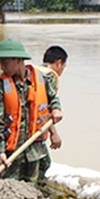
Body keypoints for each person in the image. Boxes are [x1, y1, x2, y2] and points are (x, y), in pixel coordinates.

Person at [0, 39, 63, 186]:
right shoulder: (0, 87)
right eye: (0, 62)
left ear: (19, 60)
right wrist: (0, 151)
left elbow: (52, 98)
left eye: (5, 62)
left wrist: (56, 109)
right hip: (10, 153)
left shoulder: (40, 79)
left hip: (34, 147)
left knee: (31, 188)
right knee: (6, 189)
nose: (2, 66)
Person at [35, 45, 67, 183]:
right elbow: (45, 107)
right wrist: (54, 133)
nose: (62, 70)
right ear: (58, 63)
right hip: (35, 128)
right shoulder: (49, 77)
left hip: (22, 125)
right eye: (64, 66)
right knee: (44, 163)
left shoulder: (35, 71)